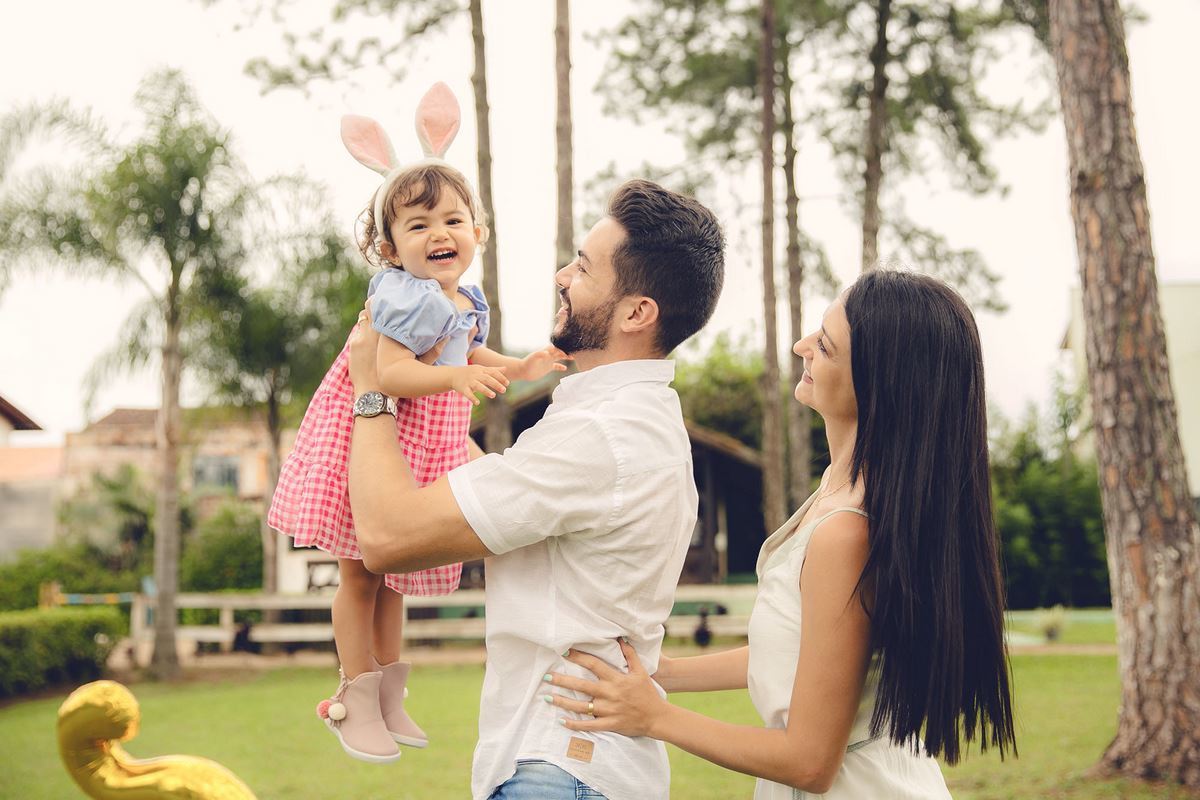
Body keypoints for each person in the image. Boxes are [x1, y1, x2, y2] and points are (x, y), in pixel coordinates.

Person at [546, 270, 1018, 798]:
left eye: (826, 345)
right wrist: (666, 673)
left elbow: (810, 761)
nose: (801, 346)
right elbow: (805, 655)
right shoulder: (843, 496)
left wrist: (655, 716)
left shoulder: (847, 532)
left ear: (878, 385)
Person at [346, 178, 725, 799]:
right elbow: (490, 497)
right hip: (575, 766)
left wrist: (372, 389)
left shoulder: (600, 437)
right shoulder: (622, 424)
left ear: (637, 312)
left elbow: (387, 538)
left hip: (560, 769)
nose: (561, 275)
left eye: (583, 265)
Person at [268, 83, 567, 765]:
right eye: (418, 224)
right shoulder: (400, 297)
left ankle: (390, 690)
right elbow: (394, 374)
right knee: (359, 576)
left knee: (395, 575)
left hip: (420, 444)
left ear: (478, 232)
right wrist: (459, 379)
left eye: (453, 220)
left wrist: (518, 367)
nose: (439, 234)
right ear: (388, 246)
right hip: (372, 443)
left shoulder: (464, 295)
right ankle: (354, 692)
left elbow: (467, 350)